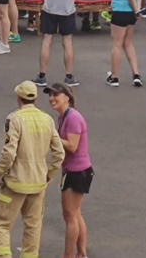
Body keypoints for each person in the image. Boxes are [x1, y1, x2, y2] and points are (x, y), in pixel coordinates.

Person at [0, 81, 64, 258]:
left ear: (18, 98)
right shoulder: (47, 119)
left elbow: (9, 151)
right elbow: (59, 153)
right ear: (36, 98)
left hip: (15, 182)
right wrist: (49, 174)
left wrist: (0, 172)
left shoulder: (14, 119)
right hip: (38, 183)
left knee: (2, 224)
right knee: (33, 226)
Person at [45, 82, 92, 258]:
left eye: (55, 95)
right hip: (74, 170)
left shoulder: (73, 118)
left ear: (67, 97)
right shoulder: (62, 117)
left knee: (69, 215)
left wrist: (51, 136)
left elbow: (72, 145)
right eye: (50, 95)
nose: (51, 98)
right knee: (75, 213)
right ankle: (81, 253)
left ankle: (68, 256)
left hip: (77, 172)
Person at [106, 0, 143, 88]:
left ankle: (114, 77)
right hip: (130, 13)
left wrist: (136, 9)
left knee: (117, 44)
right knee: (128, 42)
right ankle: (136, 74)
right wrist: (137, 9)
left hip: (121, 11)